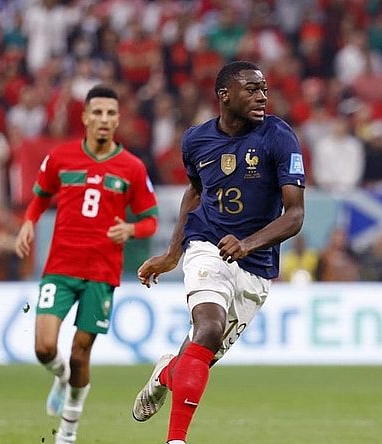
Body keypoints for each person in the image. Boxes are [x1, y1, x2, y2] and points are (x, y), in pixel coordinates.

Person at [131, 61, 305, 444]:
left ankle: (165, 373)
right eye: (252, 89)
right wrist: (174, 253)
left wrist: (248, 244)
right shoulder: (196, 140)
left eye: (264, 89)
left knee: (198, 357)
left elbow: (294, 215)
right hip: (207, 246)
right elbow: (195, 193)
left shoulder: (279, 136)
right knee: (207, 328)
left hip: (255, 267)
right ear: (224, 96)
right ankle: (176, 440)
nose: (262, 96)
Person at [14, 85, 159, 444]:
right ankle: (60, 378)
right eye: (97, 113)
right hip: (60, 266)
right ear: (85, 117)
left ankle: (67, 432)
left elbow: (151, 219)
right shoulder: (61, 157)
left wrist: (131, 228)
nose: (104, 120)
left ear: (118, 119)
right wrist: (29, 222)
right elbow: (39, 197)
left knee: (81, 353)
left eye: (111, 114)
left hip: (101, 272)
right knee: (45, 348)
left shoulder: (132, 167)